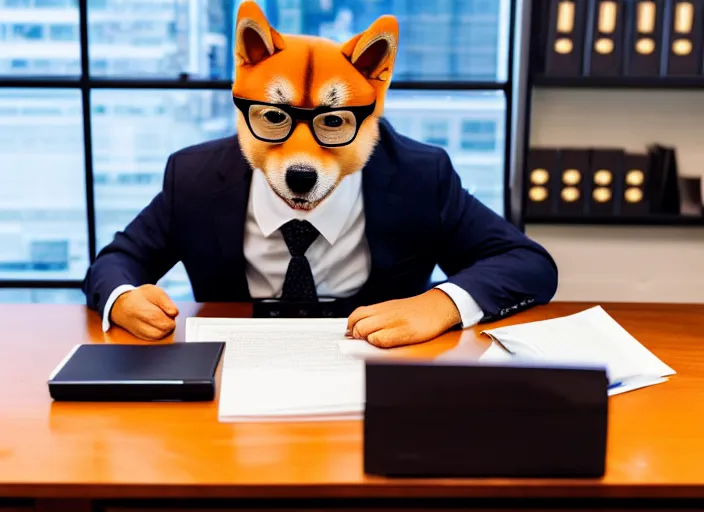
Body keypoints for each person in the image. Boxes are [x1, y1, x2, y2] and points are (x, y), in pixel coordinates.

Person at [82, 1, 558, 347]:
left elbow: (528, 264)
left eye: (333, 122)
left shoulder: (418, 174)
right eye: (274, 118)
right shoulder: (195, 176)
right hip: (232, 368)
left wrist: (441, 304)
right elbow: (114, 264)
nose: (301, 158)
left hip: (379, 370)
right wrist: (123, 298)